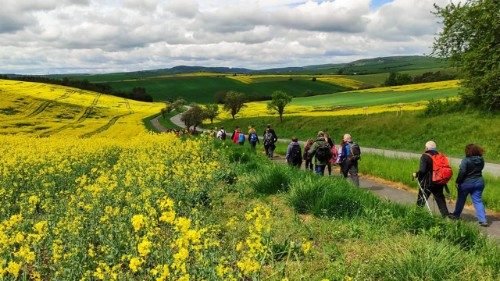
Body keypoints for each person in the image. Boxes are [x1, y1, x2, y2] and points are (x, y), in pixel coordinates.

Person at [450, 144, 488, 227]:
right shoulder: (481, 159)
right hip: (479, 182)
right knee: (478, 201)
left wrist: (457, 181)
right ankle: (483, 220)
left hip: (466, 183)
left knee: (461, 199)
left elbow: (462, 172)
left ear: (468, 151)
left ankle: (456, 215)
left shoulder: (466, 160)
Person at [413, 140, 450, 217]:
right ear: (435, 148)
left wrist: (416, 174)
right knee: (440, 200)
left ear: (426, 148)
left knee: (421, 199)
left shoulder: (425, 156)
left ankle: (416, 215)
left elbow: (422, 170)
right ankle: (446, 216)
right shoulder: (440, 156)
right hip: (439, 182)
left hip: (427, 183)